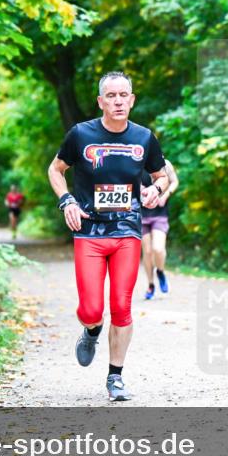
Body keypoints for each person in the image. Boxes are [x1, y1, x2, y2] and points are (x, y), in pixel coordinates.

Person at [47, 71, 168, 401]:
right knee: (90, 310)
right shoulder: (80, 134)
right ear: (101, 101)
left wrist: (155, 190)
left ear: (132, 100)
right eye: (111, 96)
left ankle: (115, 377)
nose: (118, 101)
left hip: (127, 231)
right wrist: (67, 200)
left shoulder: (144, 138)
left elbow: (161, 176)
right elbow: (55, 169)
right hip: (89, 231)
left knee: (121, 306)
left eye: (123, 95)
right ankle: (91, 330)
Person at [140, 159, 179, 300]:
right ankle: (150, 284)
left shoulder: (165, 163)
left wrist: (166, 195)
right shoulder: (136, 161)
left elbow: (174, 181)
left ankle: (160, 271)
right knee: (147, 252)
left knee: (158, 248)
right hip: (141, 214)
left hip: (160, 214)